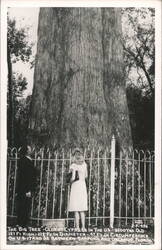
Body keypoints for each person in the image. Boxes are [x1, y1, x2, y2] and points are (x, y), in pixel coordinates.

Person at [16, 145, 37, 227]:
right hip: (25, 188)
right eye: (30, 149)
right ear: (27, 151)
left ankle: (21, 223)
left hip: (23, 188)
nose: (31, 150)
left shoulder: (25, 160)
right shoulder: (25, 161)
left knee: (23, 206)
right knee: (24, 206)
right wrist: (28, 190)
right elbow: (26, 176)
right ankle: (22, 224)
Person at [68, 148, 88, 232]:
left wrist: (70, 181)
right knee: (82, 208)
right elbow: (86, 176)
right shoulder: (85, 165)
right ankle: (83, 227)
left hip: (76, 186)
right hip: (82, 185)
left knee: (76, 208)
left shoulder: (73, 165)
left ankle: (77, 228)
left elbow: (72, 178)